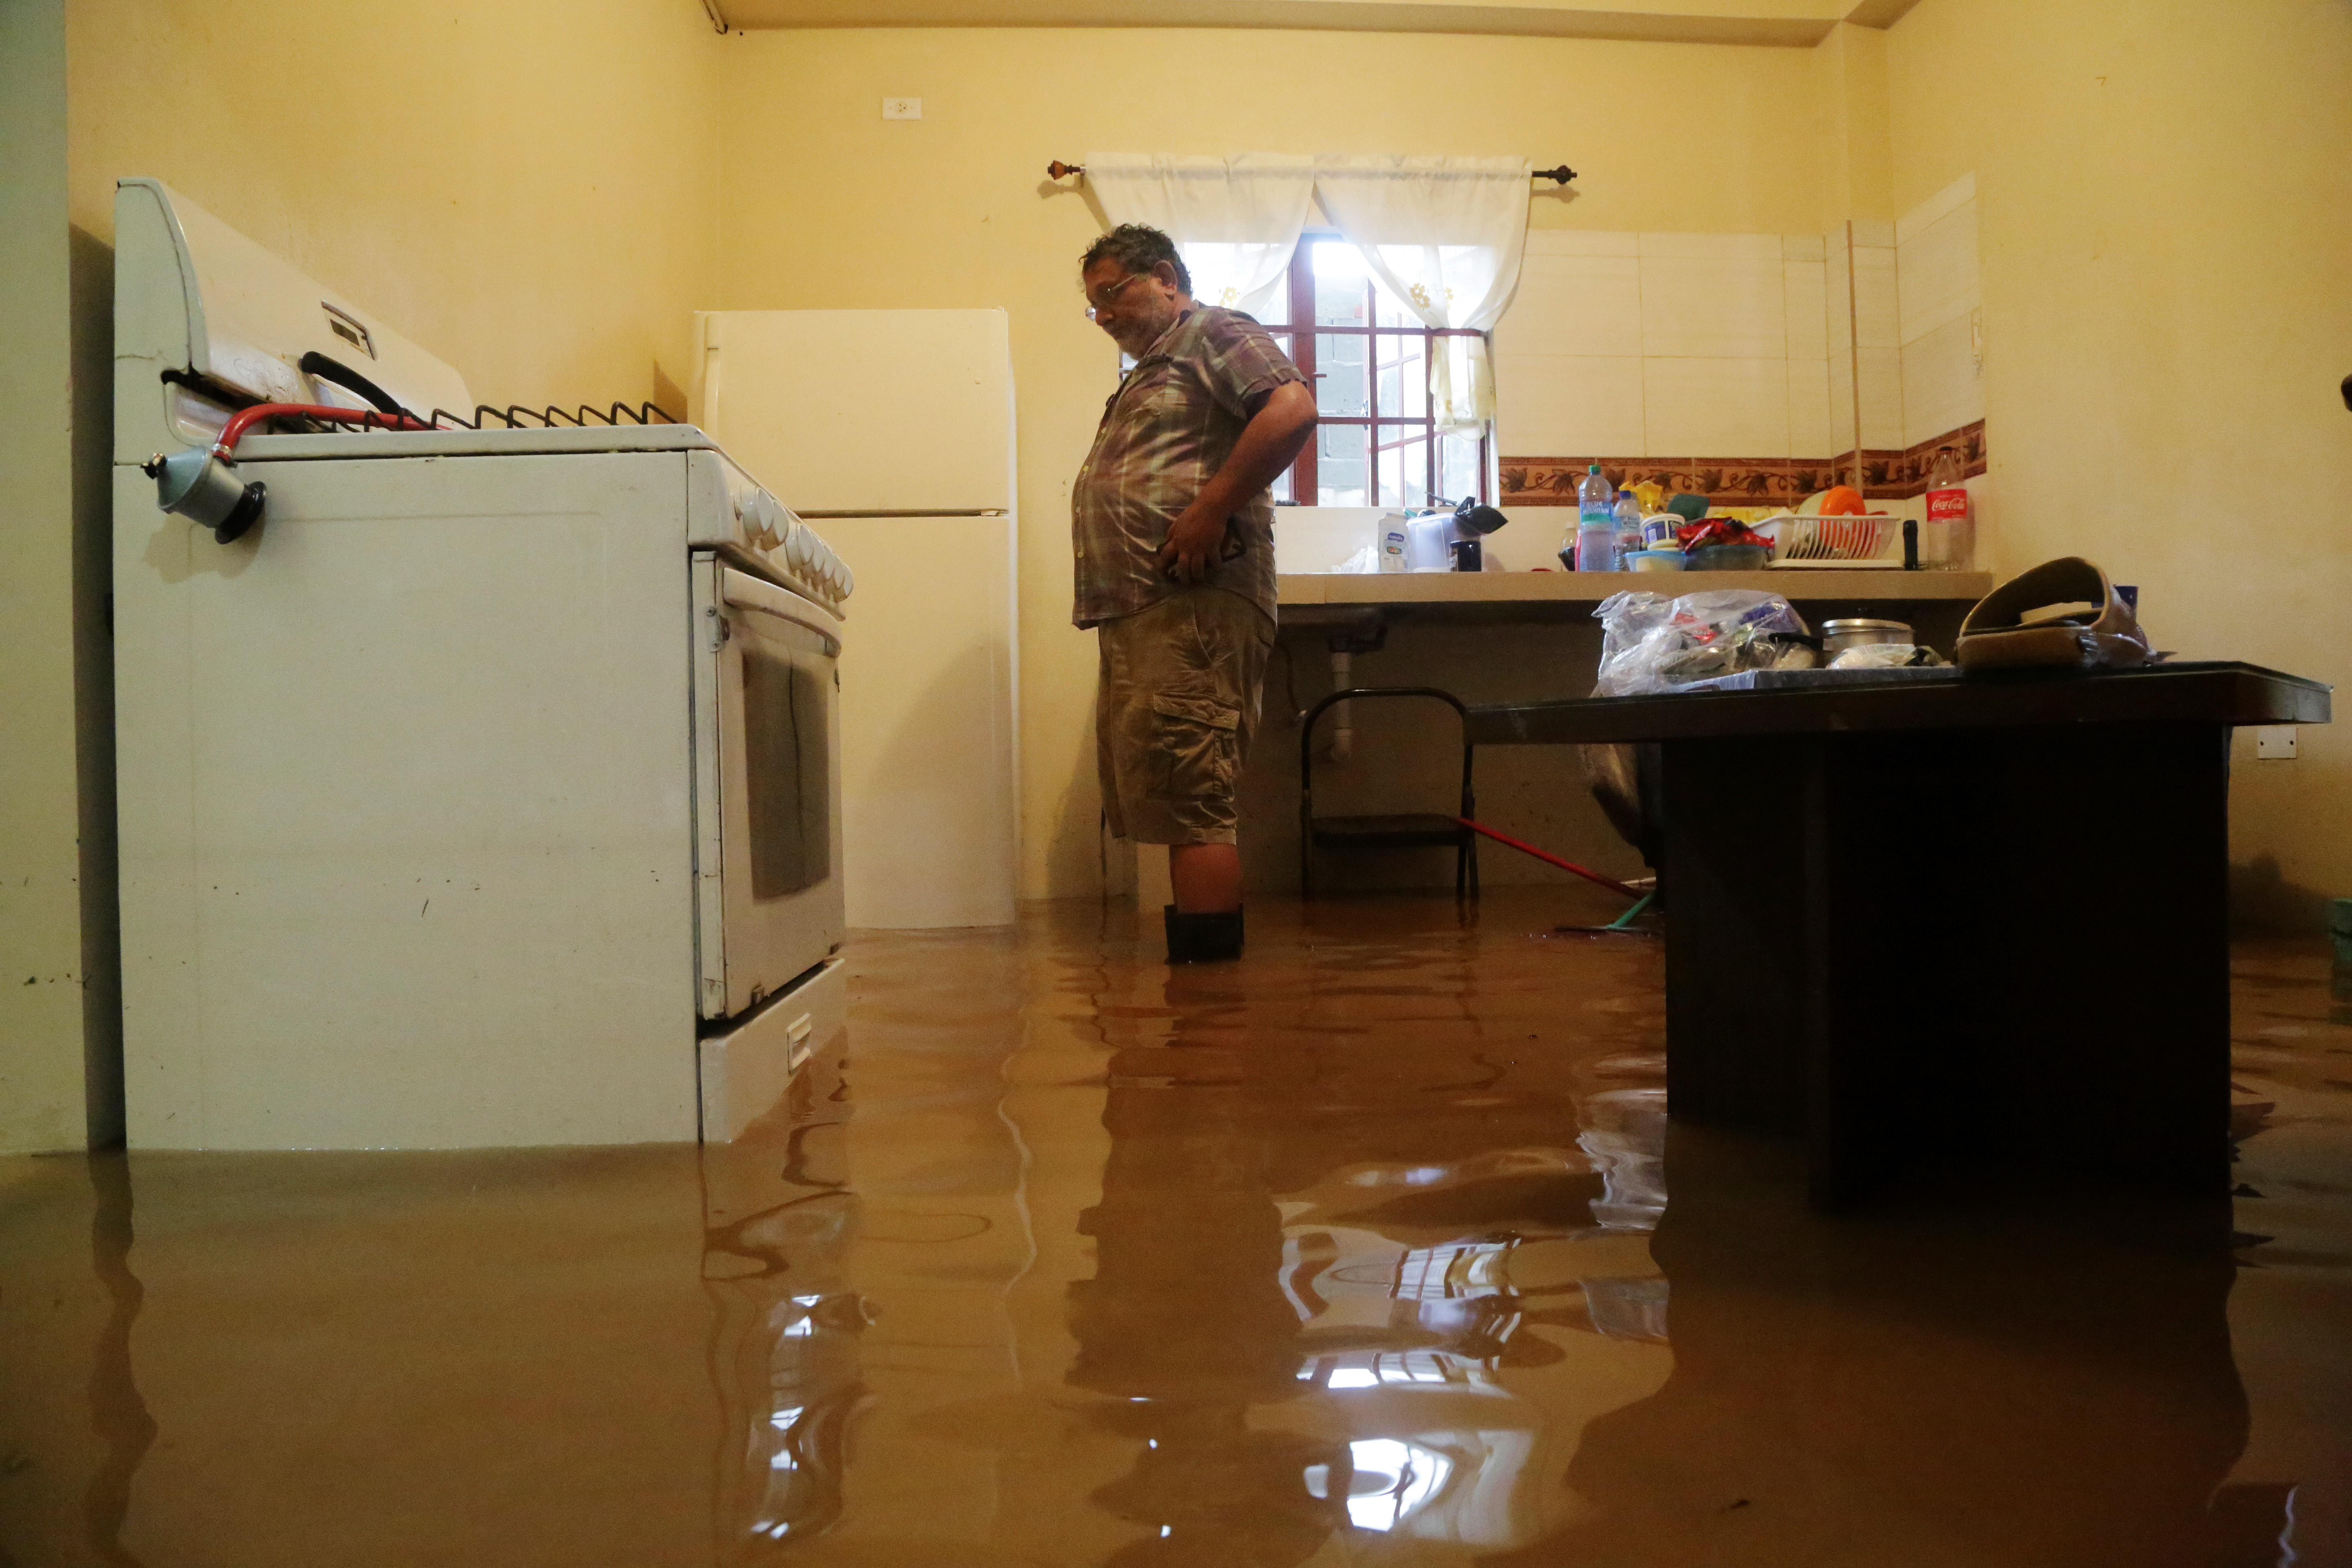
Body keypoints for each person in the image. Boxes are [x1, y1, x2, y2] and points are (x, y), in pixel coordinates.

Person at [1072, 224, 1318, 963]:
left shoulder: (1211, 329)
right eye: (1094, 305)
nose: (1105, 314)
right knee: (1176, 795)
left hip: (1193, 604)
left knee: (1195, 794)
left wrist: (1210, 509)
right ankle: (1198, 994)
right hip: (1149, 607)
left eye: (1113, 292)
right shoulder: (1153, 368)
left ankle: (1208, 1016)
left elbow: (1291, 409)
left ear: (1168, 280)